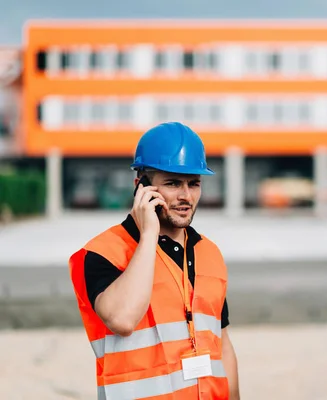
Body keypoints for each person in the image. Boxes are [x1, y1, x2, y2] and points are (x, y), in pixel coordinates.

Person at [69, 122, 240, 400]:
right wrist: (149, 233)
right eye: (172, 183)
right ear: (141, 186)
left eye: (193, 183)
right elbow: (122, 319)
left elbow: (224, 345)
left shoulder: (209, 253)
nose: (186, 196)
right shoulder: (103, 252)